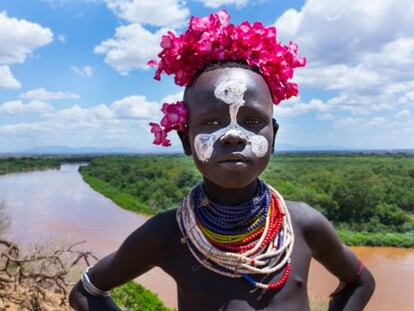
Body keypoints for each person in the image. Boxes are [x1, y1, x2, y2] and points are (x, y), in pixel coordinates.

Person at [69, 11, 375, 311]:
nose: (233, 135)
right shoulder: (168, 234)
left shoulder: (304, 225)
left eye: (252, 120)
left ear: (274, 136)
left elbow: (360, 282)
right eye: (212, 123)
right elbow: (86, 292)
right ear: (186, 141)